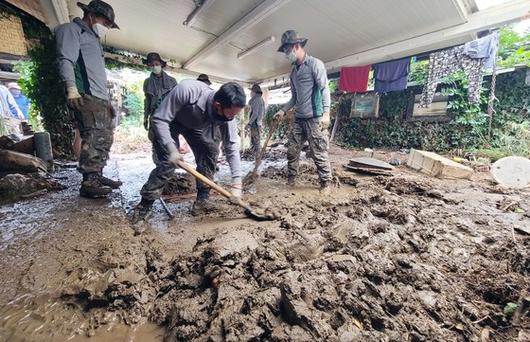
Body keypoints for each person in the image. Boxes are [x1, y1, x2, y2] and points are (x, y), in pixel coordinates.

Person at [129, 80, 246, 223]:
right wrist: (172, 149)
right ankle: (144, 206)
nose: (231, 118)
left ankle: (202, 200)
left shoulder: (229, 115)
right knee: (168, 162)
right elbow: (160, 119)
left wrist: (237, 183)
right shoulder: (187, 91)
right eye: (230, 114)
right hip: (169, 122)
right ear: (217, 105)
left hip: (196, 125)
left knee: (209, 150)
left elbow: (231, 146)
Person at [55, 0, 121, 198]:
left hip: (100, 97)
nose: (106, 26)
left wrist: (108, 101)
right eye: (105, 21)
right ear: (91, 15)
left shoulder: (94, 38)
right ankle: (89, 182)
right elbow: (66, 59)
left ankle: (97, 174)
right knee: (93, 136)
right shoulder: (72, 30)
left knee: (104, 137)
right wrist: (71, 89)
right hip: (86, 94)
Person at [273, 30, 332, 193]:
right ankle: (291, 180)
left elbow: (325, 89)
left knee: (318, 152)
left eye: (287, 49)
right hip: (299, 119)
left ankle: (325, 184)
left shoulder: (315, 64)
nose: (285, 53)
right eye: (284, 50)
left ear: (297, 46)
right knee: (292, 150)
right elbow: (294, 98)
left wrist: (326, 114)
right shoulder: (293, 72)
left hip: (315, 118)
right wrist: (282, 111)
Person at [142, 52, 177, 131]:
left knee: (170, 138)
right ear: (149, 66)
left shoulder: (172, 81)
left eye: (157, 64)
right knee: (155, 138)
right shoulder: (147, 82)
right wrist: (145, 117)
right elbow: (147, 100)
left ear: (161, 64)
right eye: (152, 65)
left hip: (169, 115)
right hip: (155, 114)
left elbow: (177, 100)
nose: (154, 66)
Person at [245, 84, 265, 160]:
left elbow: (255, 113)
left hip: (255, 123)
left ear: (254, 92)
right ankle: (255, 156)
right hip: (257, 123)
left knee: (256, 141)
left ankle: (258, 157)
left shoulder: (256, 100)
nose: (250, 93)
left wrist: (249, 123)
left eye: (251, 92)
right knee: (255, 140)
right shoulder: (260, 99)